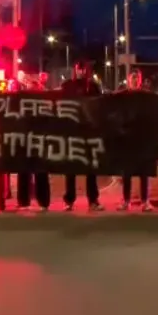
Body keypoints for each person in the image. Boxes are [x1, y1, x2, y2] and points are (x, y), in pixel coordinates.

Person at [60, 61, 103, 212]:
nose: (81, 72)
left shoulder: (93, 87)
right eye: (78, 69)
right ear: (75, 70)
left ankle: (93, 199)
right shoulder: (68, 86)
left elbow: (101, 105)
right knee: (71, 168)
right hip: (72, 133)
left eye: (83, 69)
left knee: (91, 169)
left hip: (89, 133)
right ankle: (69, 200)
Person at [117, 69, 153, 211]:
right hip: (127, 139)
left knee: (144, 172)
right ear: (128, 79)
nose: (134, 80)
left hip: (142, 139)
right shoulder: (122, 96)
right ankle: (126, 201)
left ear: (140, 80)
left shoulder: (146, 96)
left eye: (137, 78)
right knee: (127, 172)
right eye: (132, 77)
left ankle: (145, 201)